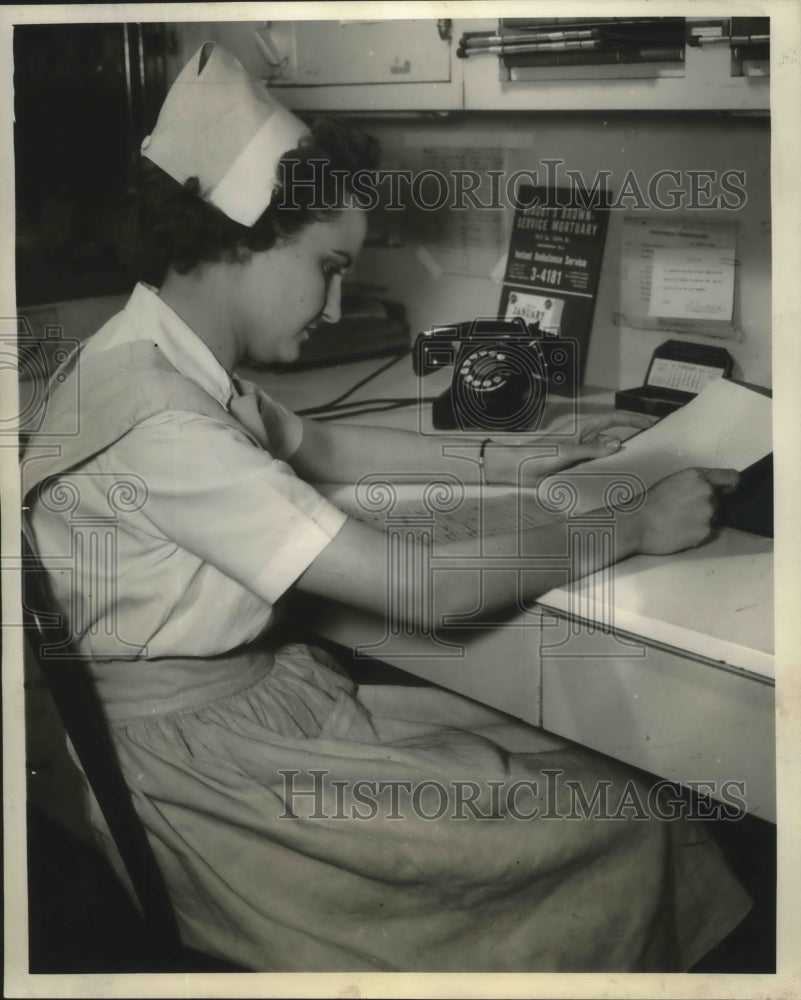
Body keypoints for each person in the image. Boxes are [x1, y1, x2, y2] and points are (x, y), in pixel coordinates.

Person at [22, 42, 751, 973]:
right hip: (202, 783)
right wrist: (631, 525)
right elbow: (424, 589)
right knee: (618, 825)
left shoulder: (141, 353)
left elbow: (321, 445)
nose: (335, 305)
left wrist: (509, 458)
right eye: (328, 267)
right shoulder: (166, 423)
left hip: (233, 715)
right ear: (243, 239)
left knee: (571, 778)